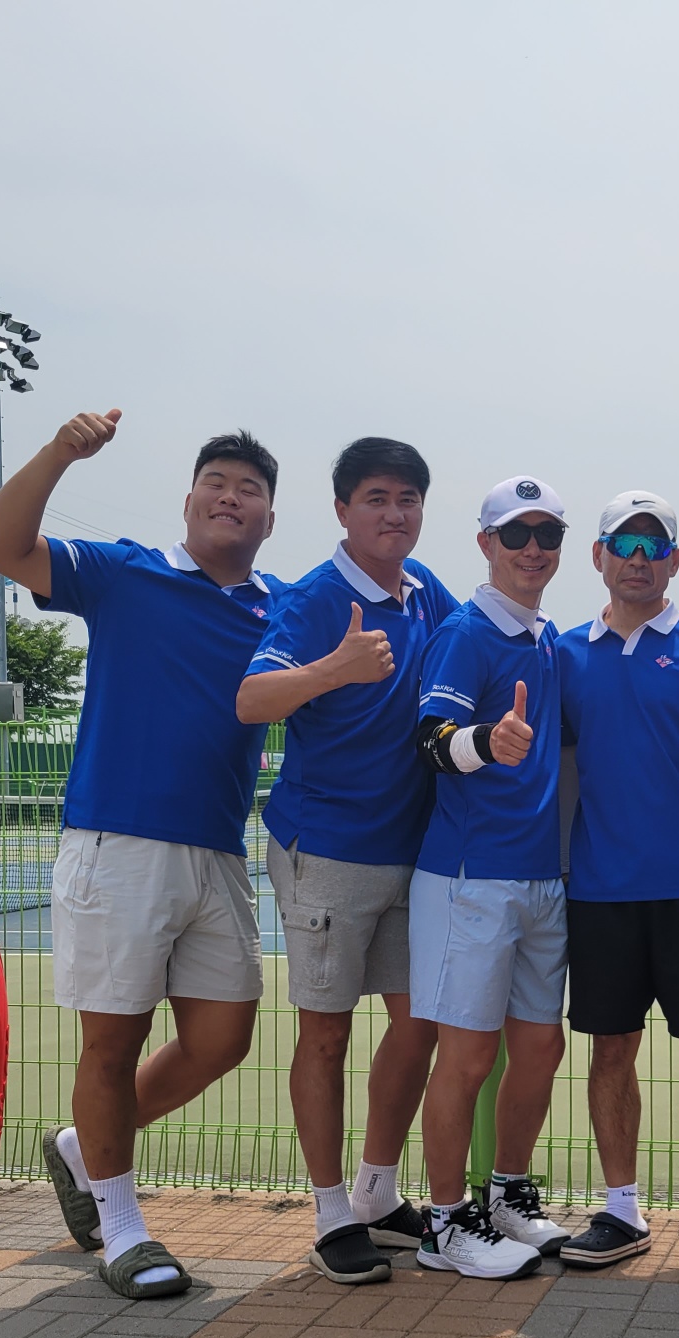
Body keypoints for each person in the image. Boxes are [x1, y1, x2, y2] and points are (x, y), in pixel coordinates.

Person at [0, 410, 281, 1301]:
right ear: (188, 501)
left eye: (250, 489)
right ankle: (122, 1227)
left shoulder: (282, 608)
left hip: (219, 851)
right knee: (113, 1043)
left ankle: (83, 1147)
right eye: (216, 482)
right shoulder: (124, 572)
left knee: (222, 1039)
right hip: (118, 842)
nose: (230, 497)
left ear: (269, 518)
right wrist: (59, 453)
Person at [237, 438, 458, 1285]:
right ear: (342, 510)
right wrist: (335, 667)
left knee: (420, 1021)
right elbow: (251, 699)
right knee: (325, 1032)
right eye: (376, 498)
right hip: (326, 850)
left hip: (412, 850)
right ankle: (330, 1212)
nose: (394, 514)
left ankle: (376, 1190)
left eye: (408, 498)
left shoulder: (425, 589)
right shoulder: (314, 597)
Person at [556, 492, 679, 1286]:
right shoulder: (564, 653)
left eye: (653, 546)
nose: (638, 559)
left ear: (674, 561)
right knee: (611, 1048)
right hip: (600, 888)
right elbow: (557, 769)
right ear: (598, 557)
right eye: (623, 545)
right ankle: (622, 1210)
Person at [409, 477, 573, 1280]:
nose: (533, 550)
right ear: (486, 544)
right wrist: (486, 742)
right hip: (470, 880)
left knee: (540, 1048)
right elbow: (430, 739)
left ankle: (506, 1195)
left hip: (541, 877)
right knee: (468, 1059)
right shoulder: (465, 633)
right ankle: (444, 1225)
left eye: (548, 535)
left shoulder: (548, 638)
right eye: (516, 534)